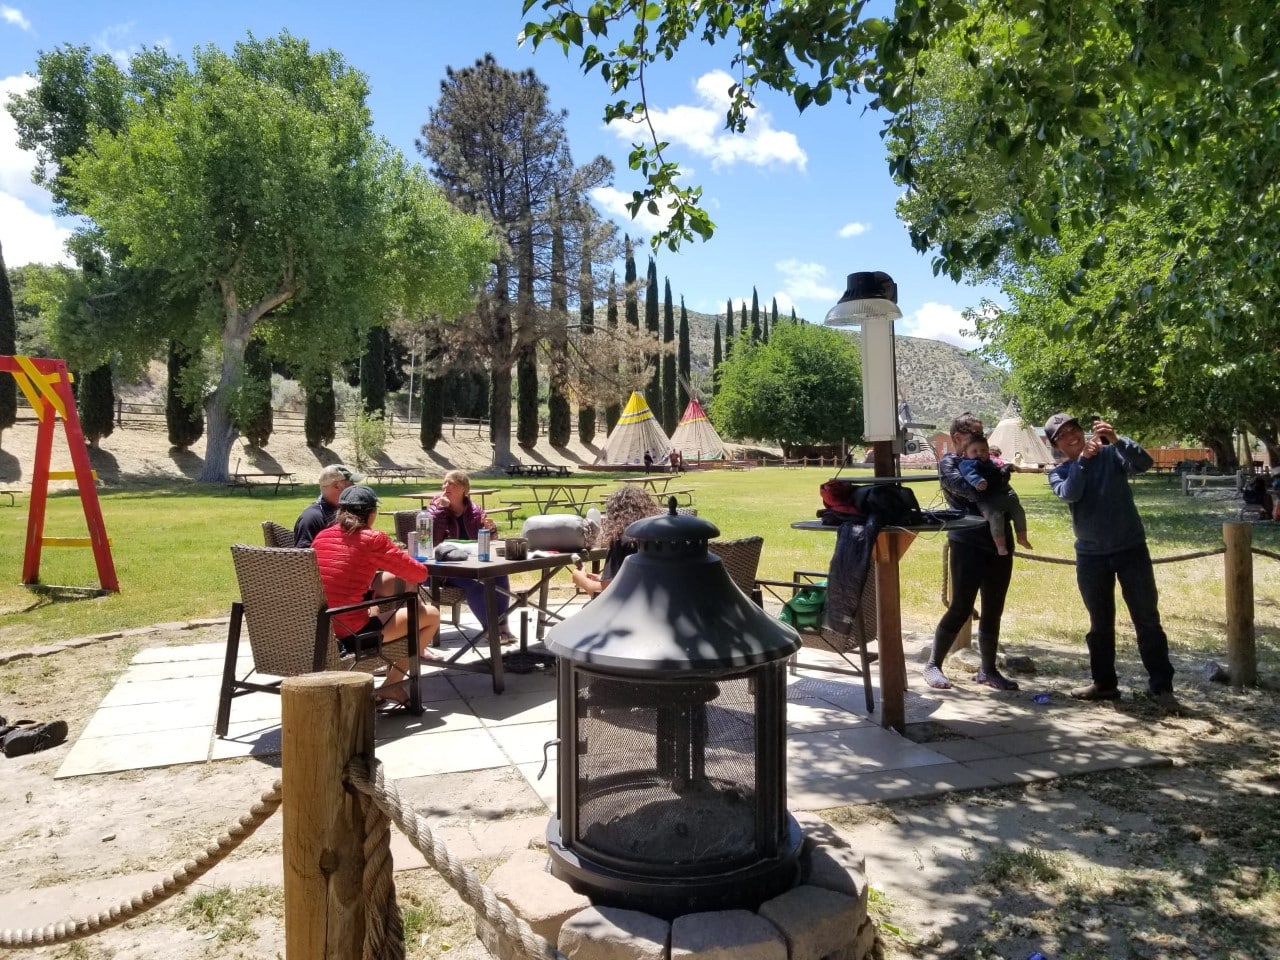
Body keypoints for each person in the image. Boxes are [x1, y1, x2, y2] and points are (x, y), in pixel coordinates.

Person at [1044, 414, 1178, 709]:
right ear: (1056, 445)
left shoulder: (1112, 455)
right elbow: (1071, 494)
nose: (1072, 436)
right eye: (1063, 435)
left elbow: (1144, 464)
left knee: (1147, 619)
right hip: (1091, 557)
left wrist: (1117, 440)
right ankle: (1104, 684)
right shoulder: (1059, 472)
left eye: (1074, 429)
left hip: (1131, 549)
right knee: (1100, 623)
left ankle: (1162, 688)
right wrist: (1082, 463)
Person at [311, 485, 442, 707]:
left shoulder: (322, 537)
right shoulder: (372, 540)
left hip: (320, 629)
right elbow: (419, 574)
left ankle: (389, 677)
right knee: (430, 615)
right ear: (372, 513)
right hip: (351, 635)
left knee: (383, 596)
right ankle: (392, 685)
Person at [923, 413, 1020, 692]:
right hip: (967, 541)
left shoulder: (986, 461)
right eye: (973, 434)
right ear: (956, 438)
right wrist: (994, 477)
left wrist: (995, 477)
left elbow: (1005, 491)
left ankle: (988, 670)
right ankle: (933, 665)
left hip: (1000, 541)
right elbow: (974, 491)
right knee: (961, 606)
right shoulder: (950, 463)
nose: (981, 439)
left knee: (994, 608)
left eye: (982, 433)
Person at [427, 470, 515, 643]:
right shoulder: (435, 506)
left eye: (451, 483)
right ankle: (490, 630)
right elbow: (432, 540)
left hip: (473, 563)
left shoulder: (475, 510)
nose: (445, 487)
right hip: (443, 570)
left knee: (500, 575)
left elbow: (489, 542)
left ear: (463, 488)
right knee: (476, 584)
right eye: (444, 483)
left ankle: (503, 626)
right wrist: (441, 510)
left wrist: (491, 529)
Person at [570, 485, 661, 597]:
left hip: (630, 608)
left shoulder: (621, 540)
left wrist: (582, 581)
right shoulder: (658, 537)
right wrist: (602, 579)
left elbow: (607, 594)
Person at [958, 434, 1032, 556]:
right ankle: (1000, 546)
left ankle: (1022, 536)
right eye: (975, 451)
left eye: (983, 450)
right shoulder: (968, 463)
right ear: (966, 454)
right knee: (996, 518)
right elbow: (969, 473)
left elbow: (999, 469)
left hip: (1001, 496)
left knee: (1019, 511)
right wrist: (978, 481)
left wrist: (1007, 468)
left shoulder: (991, 462)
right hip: (986, 500)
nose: (980, 453)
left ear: (988, 450)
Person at [293, 464, 363, 548]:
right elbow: (303, 557)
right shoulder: (311, 518)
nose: (354, 487)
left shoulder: (347, 510)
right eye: (351, 484)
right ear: (336, 486)